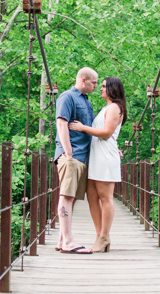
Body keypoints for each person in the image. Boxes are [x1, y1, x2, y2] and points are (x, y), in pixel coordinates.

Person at [68, 76, 126, 253]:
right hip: (96, 156)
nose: (100, 88)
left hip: (105, 157)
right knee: (91, 195)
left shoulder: (115, 108)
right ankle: (100, 235)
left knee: (105, 197)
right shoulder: (106, 108)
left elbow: (107, 133)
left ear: (113, 89)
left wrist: (83, 127)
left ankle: (104, 236)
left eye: (103, 86)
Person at [53, 67, 98, 254]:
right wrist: (68, 151)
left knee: (71, 199)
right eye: (93, 82)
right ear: (83, 80)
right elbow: (61, 122)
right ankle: (69, 241)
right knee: (66, 196)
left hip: (82, 156)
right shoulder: (67, 97)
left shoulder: (86, 102)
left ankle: (62, 239)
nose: (96, 86)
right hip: (72, 156)